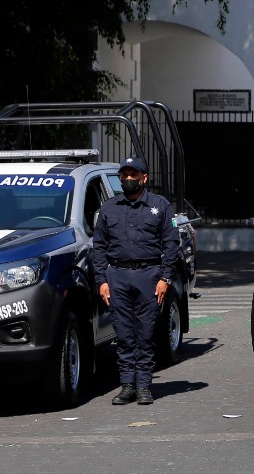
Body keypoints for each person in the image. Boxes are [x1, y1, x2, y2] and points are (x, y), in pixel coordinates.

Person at [93, 156, 179, 406]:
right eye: (124, 175)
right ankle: (127, 385)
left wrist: (165, 278)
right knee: (123, 333)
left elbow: (171, 244)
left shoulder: (159, 206)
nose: (128, 179)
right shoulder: (109, 208)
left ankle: (143, 386)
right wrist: (102, 280)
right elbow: (99, 247)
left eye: (133, 175)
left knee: (145, 332)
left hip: (149, 276)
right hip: (117, 276)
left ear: (144, 178)